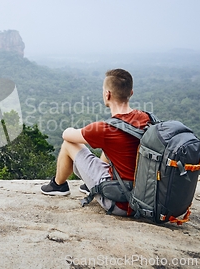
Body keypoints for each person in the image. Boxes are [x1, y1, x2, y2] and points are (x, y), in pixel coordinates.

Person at [40, 68, 150, 216]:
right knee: (110, 147)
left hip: (120, 203)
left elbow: (67, 135)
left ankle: (58, 185)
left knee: (69, 144)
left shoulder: (105, 129)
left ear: (107, 94)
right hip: (143, 197)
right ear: (131, 93)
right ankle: (89, 185)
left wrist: (71, 128)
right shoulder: (147, 118)